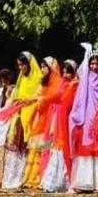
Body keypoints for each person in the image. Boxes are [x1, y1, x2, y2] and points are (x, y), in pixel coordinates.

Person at [68, 44, 98, 192]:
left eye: (97, 63)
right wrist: (87, 53)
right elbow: (81, 70)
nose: (94, 66)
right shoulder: (86, 76)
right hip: (87, 115)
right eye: (92, 63)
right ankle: (84, 183)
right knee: (86, 147)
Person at [0, 52, 42, 191]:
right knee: (16, 145)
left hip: (32, 115)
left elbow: (40, 97)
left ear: (29, 64)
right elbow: (16, 93)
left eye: (22, 64)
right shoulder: (21, 77)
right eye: (18, 65)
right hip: (19, 115)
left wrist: (28, 100)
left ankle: (25, 178)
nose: (20, 67)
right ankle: (12, 179)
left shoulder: (38, 77)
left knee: (26, 147)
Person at [39, 60, 79, 193]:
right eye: (64, 71)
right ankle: (53, 181)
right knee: (56, 148)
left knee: (65, 148)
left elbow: (66, 100)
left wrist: (47, 98)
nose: (65, 74)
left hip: (68, 120)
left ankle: (65, 182)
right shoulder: (64, 83)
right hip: (58, 119)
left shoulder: (75, 85)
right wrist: (45, 99)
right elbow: (57, 97)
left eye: (68, 72)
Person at [22, 56, 62, 189]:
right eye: (42, 66)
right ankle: (30, 178)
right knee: (35, 148)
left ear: (51, 68)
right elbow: (38, 96)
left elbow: (55, 97)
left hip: (51, 117)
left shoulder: (57, 81)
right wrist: (29, 100)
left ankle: (42, 178)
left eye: (45, 67)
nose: (43, 69)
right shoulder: (43, 82)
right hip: (41, 116)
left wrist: (41, 99)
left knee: (45, 149)